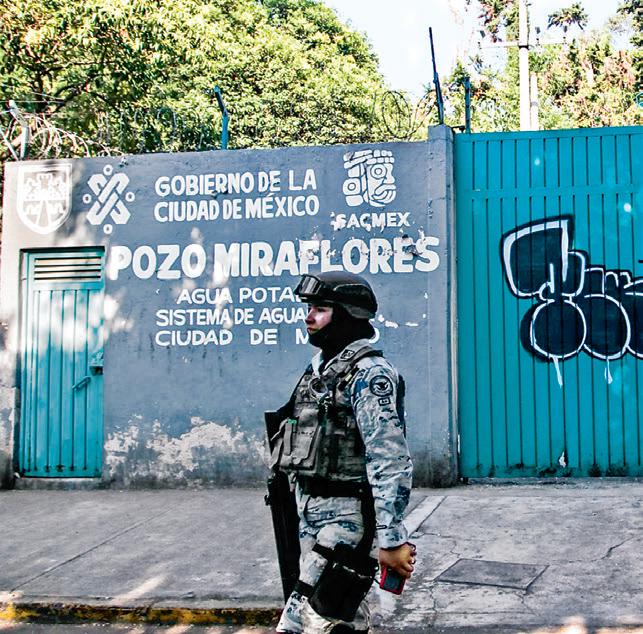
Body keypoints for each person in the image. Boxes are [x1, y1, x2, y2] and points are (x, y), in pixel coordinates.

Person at [269, 271, 415, 634]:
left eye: (321, 309)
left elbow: (389, 459)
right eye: (309, 308)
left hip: (348, 519)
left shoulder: (369, 374)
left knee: (307, 623)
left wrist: (391, 538)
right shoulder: (320, 368)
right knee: (335, 621)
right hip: (311, 514)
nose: (309, 317)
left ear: (349, 314)